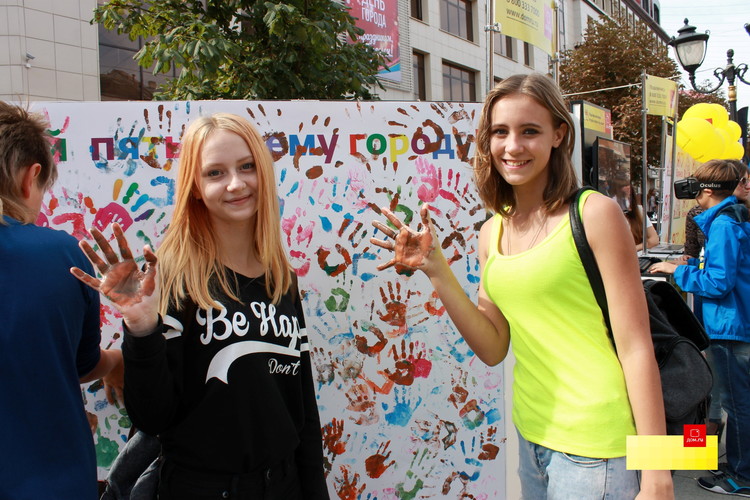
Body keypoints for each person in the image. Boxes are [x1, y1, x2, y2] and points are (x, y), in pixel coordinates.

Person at [371, 73, 673, 499]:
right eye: (500, 132)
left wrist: (657, 471)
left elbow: (636, 345)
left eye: (529, 131)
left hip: (596, 445)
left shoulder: (595, 214)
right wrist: (437, 269)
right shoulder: (490, 231)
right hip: (532, 437)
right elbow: (494, 347)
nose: (512, 146)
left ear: (558, 135)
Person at [71, 113, 330, 499]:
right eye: (215, 173)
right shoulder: (172, 278)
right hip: (202, 488)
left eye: (247, 167)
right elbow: (153, 417)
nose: (236, 183)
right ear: (194, 186)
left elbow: (303, 406)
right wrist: (142, 328)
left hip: (285, 484)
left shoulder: (281, 277)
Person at [0, 102, 123, 500]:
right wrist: (118, 362)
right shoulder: (61, 254)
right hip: (51, 481)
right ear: (29, 176)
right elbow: (82, 364)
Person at [650, 159, 750, 496]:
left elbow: (719, 282)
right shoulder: (729, 219)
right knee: (732, 400)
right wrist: (690, 263)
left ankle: (741, 475)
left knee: (736, 404)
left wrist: (675, 272)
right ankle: (733, 462)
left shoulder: (723, 225)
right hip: (732, 323)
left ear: (705, 190)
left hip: (731, 327)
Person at [622, 184, 659, 252]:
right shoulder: (610, 213)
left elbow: (654, 240)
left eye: (629, 197)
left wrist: (635, 248)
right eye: (624, 197)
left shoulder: (639, 210)